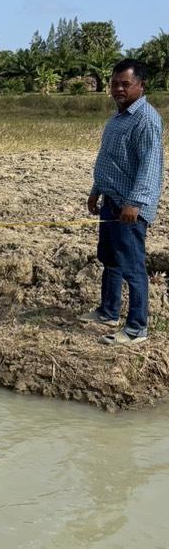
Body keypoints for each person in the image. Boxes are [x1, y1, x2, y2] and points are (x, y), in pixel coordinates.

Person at [79, 59, 163, 344]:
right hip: (111, 201)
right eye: (115, 84)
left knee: (133, 265)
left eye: (125, 84)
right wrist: (96, 190)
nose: (118, 89)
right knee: (110, 258)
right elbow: (109, 161)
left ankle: (137, 328)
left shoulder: (146, 120)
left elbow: (149, 168)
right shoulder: (118, 118)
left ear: (141, 85)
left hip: (130, 208)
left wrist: (135, 203)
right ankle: (108, 311)